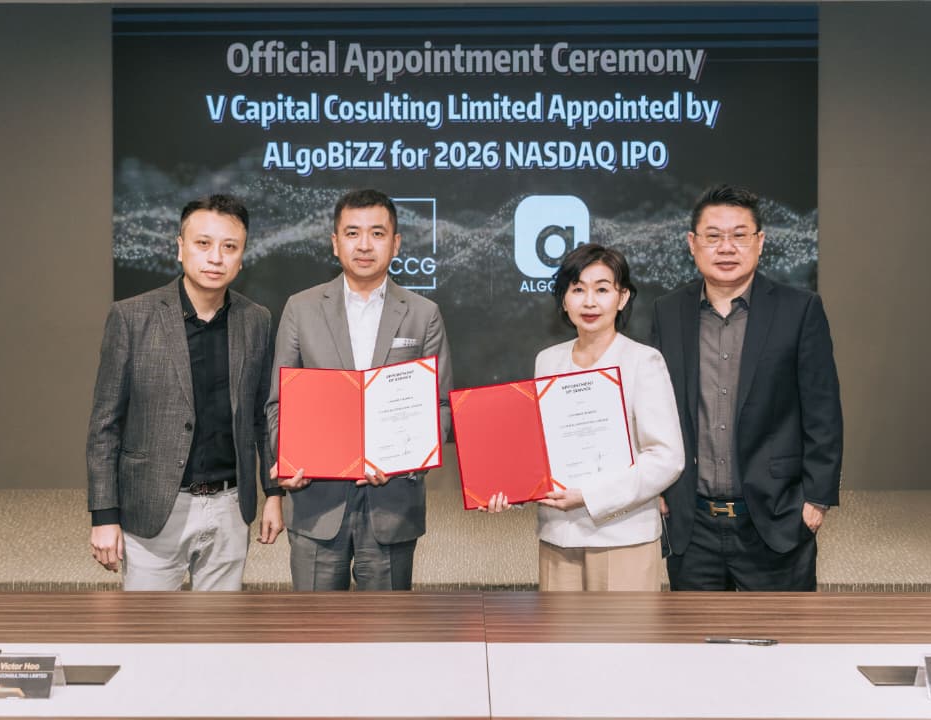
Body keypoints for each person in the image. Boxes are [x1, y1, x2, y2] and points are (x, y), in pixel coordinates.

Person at [86, 194, 283, 590]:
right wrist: (104, 516)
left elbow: (262, 418)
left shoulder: (256, 320)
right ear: (180, 248)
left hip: (230, 506)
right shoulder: (131, 317)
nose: (216, 258)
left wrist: (274, 493)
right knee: (148, 627)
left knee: (219, 627)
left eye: (229, 247)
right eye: (203, 243)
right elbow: (105, 426)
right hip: (155, 506)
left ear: (242, 257)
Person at [651, 184, 843, 591]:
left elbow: (822, 410)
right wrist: (658, 489)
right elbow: (654, 408)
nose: (726, 247)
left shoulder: (800, 309)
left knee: (781, 631)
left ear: (760, 241)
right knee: (695, 632)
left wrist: (816, 500)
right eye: (713, 236)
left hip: (776, 517)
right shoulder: (667, 312)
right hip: (693, 524)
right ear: (692, 243)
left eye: (739, 235)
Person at [265, 188, 453, 591]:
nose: (364, 245)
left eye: (377, 233)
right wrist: (289, 461)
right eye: (352, 233)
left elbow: (438, 405)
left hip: (392, 504)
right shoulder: (301, 308)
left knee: (387, 628)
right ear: (335, 243)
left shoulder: (423, 315)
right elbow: (279, 403)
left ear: (396, 243)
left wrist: (407, 462)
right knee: (314, 626)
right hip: (316, 503)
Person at [484, 243, 684, 591]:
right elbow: (539, 450)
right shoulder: (548, 361)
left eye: (602, 289)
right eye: (577, 290)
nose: (589, 302)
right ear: (564, 300)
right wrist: (510, 489)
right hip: (559, 537)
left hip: (623, 537)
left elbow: (667, 458)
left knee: (623, 630)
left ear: (622, 297)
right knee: (560, 630)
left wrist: (590, 495)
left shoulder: (643, 361)